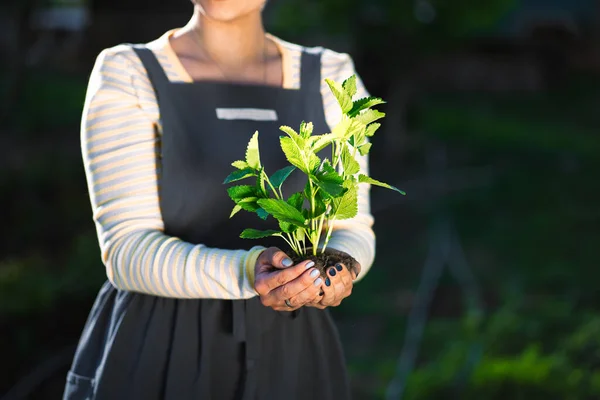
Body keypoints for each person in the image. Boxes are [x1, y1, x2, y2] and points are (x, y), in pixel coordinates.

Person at [63, 0, 376, 399]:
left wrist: (335, 272)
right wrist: (250, 271)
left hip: (293, 353)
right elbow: (126, 250)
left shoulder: (330, 76)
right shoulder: (129, 72)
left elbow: (352, 228)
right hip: (159, 350)